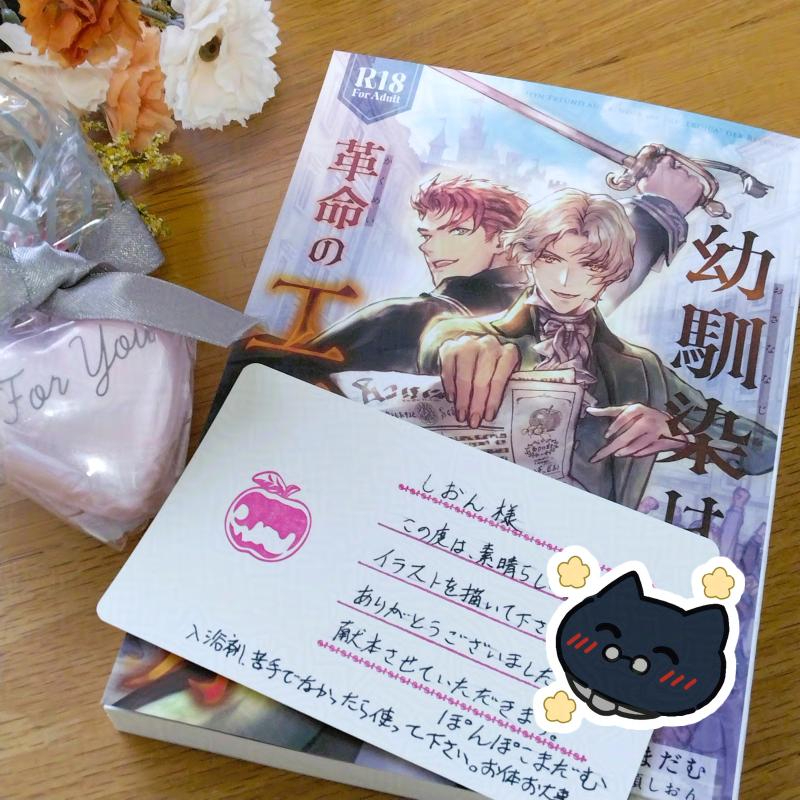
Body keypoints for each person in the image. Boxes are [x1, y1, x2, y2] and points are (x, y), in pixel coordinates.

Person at [417, 188, 776, 510]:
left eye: (587, 265)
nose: (565, 280)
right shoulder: (470, 334)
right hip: (474, 511)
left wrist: (680, 433)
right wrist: (453, 352)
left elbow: (763, 449)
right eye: (551, 259)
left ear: (613, 271)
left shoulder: (640, 368)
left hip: (581, 539)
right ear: (529, 259)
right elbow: (436, 346)